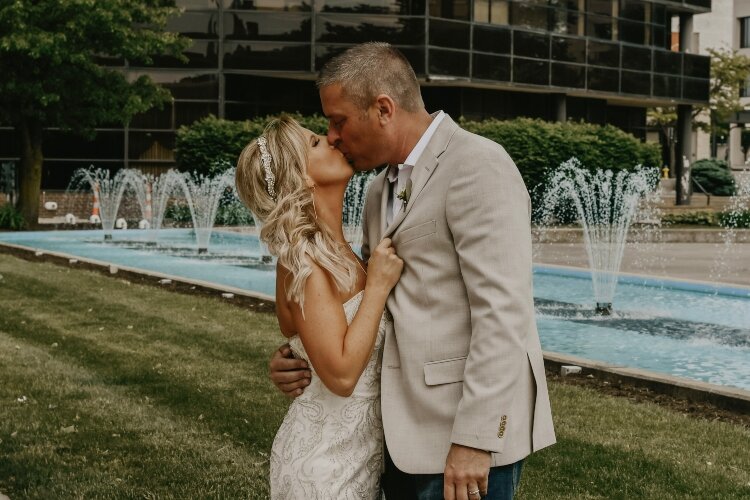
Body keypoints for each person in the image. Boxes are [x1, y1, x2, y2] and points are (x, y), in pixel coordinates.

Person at [270, 42, 556, 500]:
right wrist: (304, 356)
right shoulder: (375, 191)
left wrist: (475, 440)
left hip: (460, 444)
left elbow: (504, 314)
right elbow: (361, 305)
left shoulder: (478, 165)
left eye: (338, 120)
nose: (333, 135)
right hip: (393, 442)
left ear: (383, 108)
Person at [235, 115, 404, 499]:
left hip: (359, 461)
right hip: (324, 472)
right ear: (302, 178)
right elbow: (341, 377)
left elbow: (301, 338)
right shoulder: (303, 263)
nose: (331, 140)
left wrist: (289, 360)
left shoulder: (338, 252)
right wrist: (377, 288)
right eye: (315, 143)